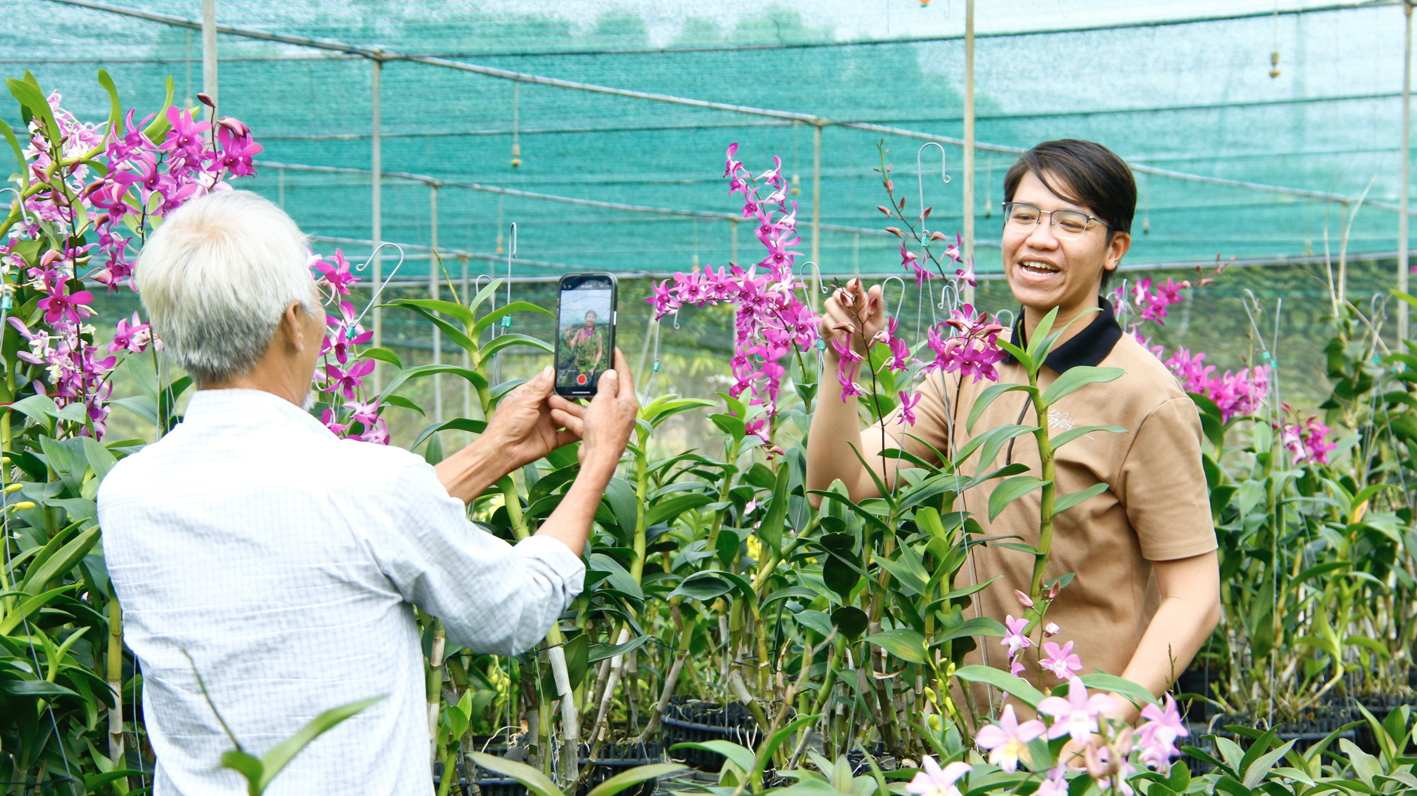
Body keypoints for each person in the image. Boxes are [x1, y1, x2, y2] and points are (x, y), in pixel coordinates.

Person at [96, 190, 639, 795]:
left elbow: (330, 537)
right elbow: (509, 613)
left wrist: (497, 452)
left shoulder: (128, 493)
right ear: (291, 324)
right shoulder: (368, 487)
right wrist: (597, 463)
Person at [806, 140, 1220, 733]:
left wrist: (1107, 723)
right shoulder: (969, 367)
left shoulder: (1145, 398)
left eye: (1071, 221)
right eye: (1024, 216)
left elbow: (1195, 598)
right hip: (981, 747)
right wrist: (843, 364)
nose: (1040, 238)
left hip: (1087, 750)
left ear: (1114, 250)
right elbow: (839, 488)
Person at [562, 310, 607, 382]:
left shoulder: (597, 335)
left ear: (595, 320)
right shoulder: (579, 332)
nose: (590, 319)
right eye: (588, 316)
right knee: (576, 385)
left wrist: (593, 366)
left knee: (589, 386)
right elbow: (571, 345)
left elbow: (600, 351)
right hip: (578, 365)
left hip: (590, 367)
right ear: (585, 318)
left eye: (592, 317)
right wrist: (568, 338)